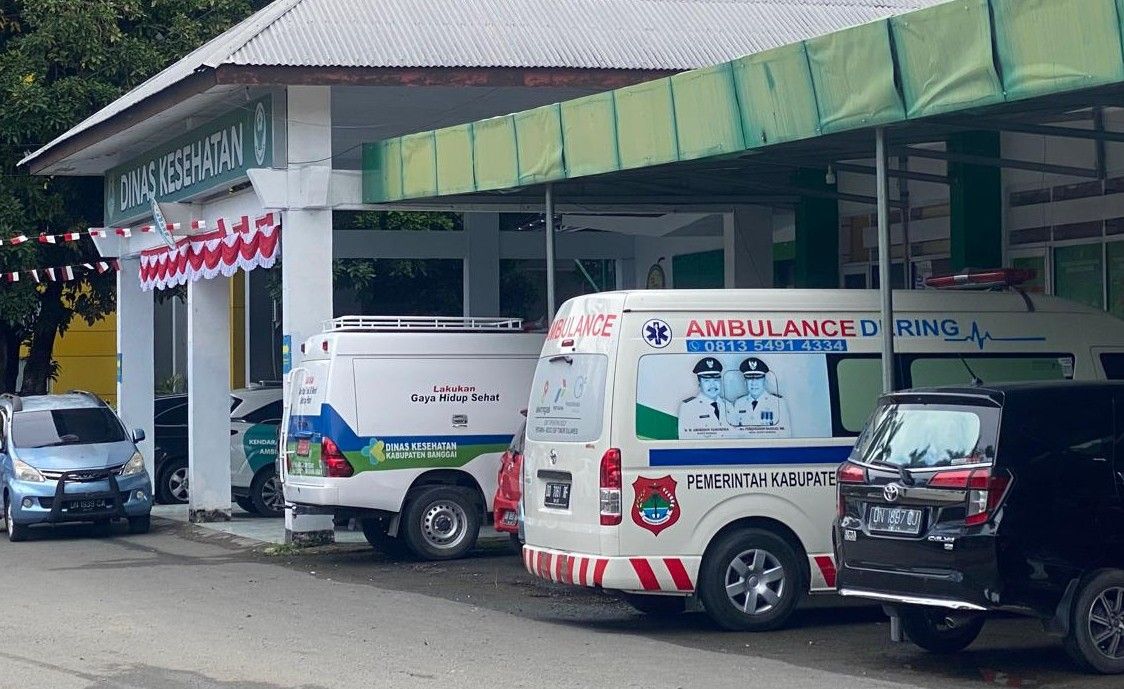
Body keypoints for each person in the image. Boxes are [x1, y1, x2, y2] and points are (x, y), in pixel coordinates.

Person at [730, 357, 791, 437]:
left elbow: (785, 434)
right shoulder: (739, 403)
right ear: (745, 382)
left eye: (758, 378)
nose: (753, 383)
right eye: (750, 379)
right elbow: (733, 433)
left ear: (764, 381)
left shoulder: (778, 403)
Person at [677, 357, 733, 439]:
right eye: (707, 380)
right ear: (699, 383)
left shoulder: (728, 405)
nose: (712, 385)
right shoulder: (688, 407)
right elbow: (685, 439)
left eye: (716, 380)